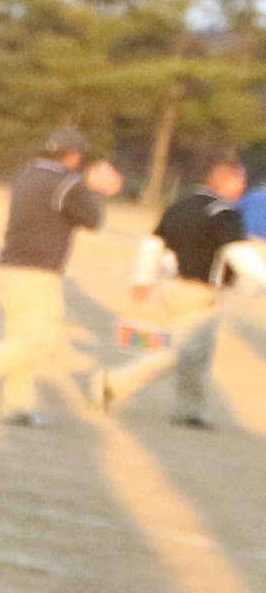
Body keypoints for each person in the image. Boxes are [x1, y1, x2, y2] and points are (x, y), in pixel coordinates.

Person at [0, 126, 120, 425]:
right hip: (38, 272)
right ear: (73, 156)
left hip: (10, 266)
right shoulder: (66, 182)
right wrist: (98, 190)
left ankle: (17, 405)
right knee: (39, 342)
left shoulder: (26, 174)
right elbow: (94, 220)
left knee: (19, 340)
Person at [96, 154, 261, 428]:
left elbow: (152, 243)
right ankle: (112, 383)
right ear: (227, 179)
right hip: (200, 292)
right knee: (183, 352)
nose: (242, 187)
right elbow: (240, 254)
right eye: (239, 180)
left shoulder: (180, 204)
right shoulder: (223, 212)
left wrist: (143, 278)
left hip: (172, 286)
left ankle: (190, 410)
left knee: (200, 354)